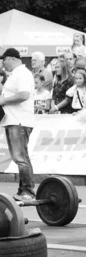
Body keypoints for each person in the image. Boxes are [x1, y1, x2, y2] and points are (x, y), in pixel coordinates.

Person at [0, 48, 36, 201]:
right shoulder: (16, 74)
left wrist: (3, 101)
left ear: (12, 58)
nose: (2, 63)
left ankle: (28, 191)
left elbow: (23, 95)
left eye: (4, 59)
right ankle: (23, 191)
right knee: (21, 157)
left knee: (20, 158)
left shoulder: (22, 73)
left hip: (19, 121)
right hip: (14, 120)